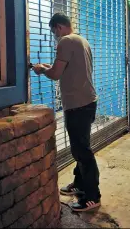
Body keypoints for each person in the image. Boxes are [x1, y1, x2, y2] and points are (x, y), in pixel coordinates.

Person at [32, 13, 100, 212]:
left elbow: (55, 75)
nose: (54, 36)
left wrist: (41, 69)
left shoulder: (65, 41)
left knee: (82, 151)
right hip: (87, 101)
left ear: (59, 27)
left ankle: (92, 196)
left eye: (54, 32)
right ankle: (79, 184)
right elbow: (65, 69)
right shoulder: (81, 40)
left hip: (78, 104)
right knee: (80, 147)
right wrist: (48, 67)